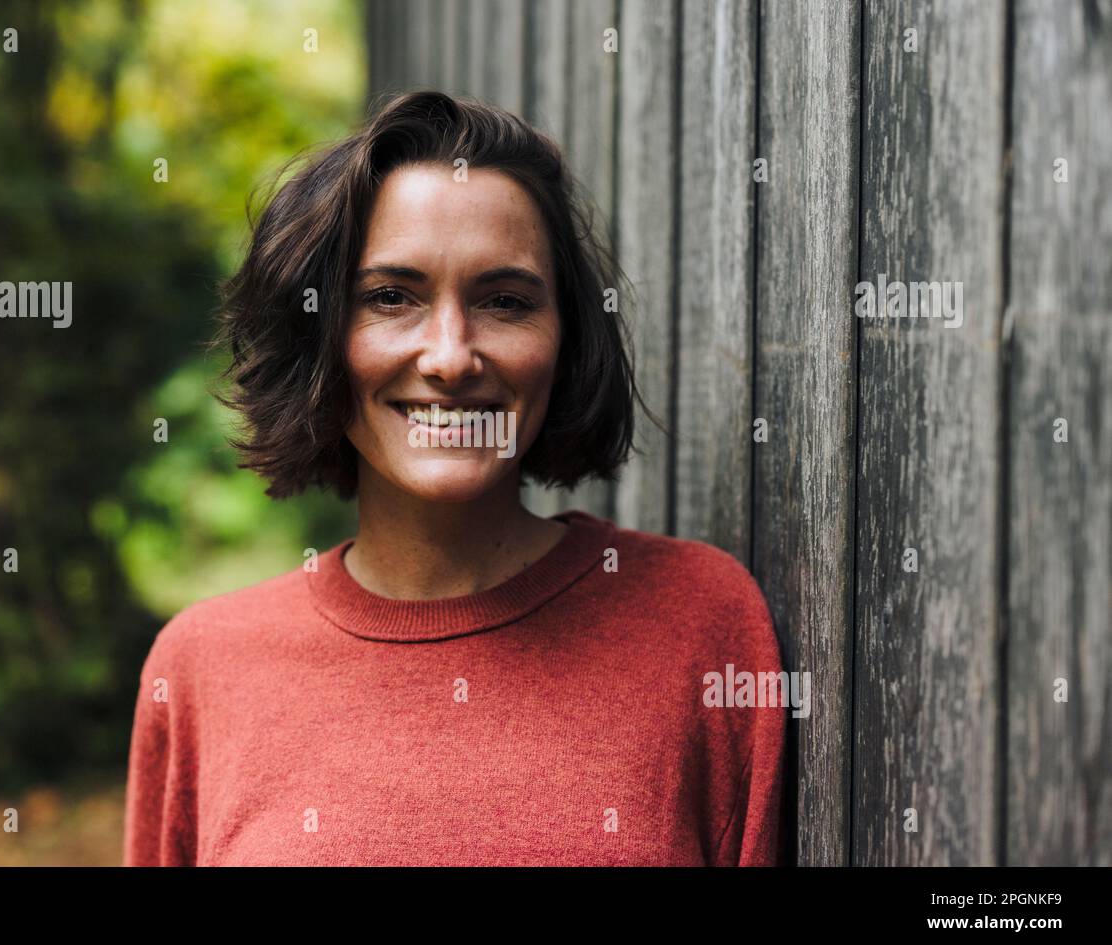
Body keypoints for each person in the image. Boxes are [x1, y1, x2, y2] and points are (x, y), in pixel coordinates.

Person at [123, 90, 786, 866]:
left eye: (504, 301)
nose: (449, 356)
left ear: (567, 341)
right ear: (322, 339)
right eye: (390, 298)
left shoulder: (700, 625)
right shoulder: (202, 665)